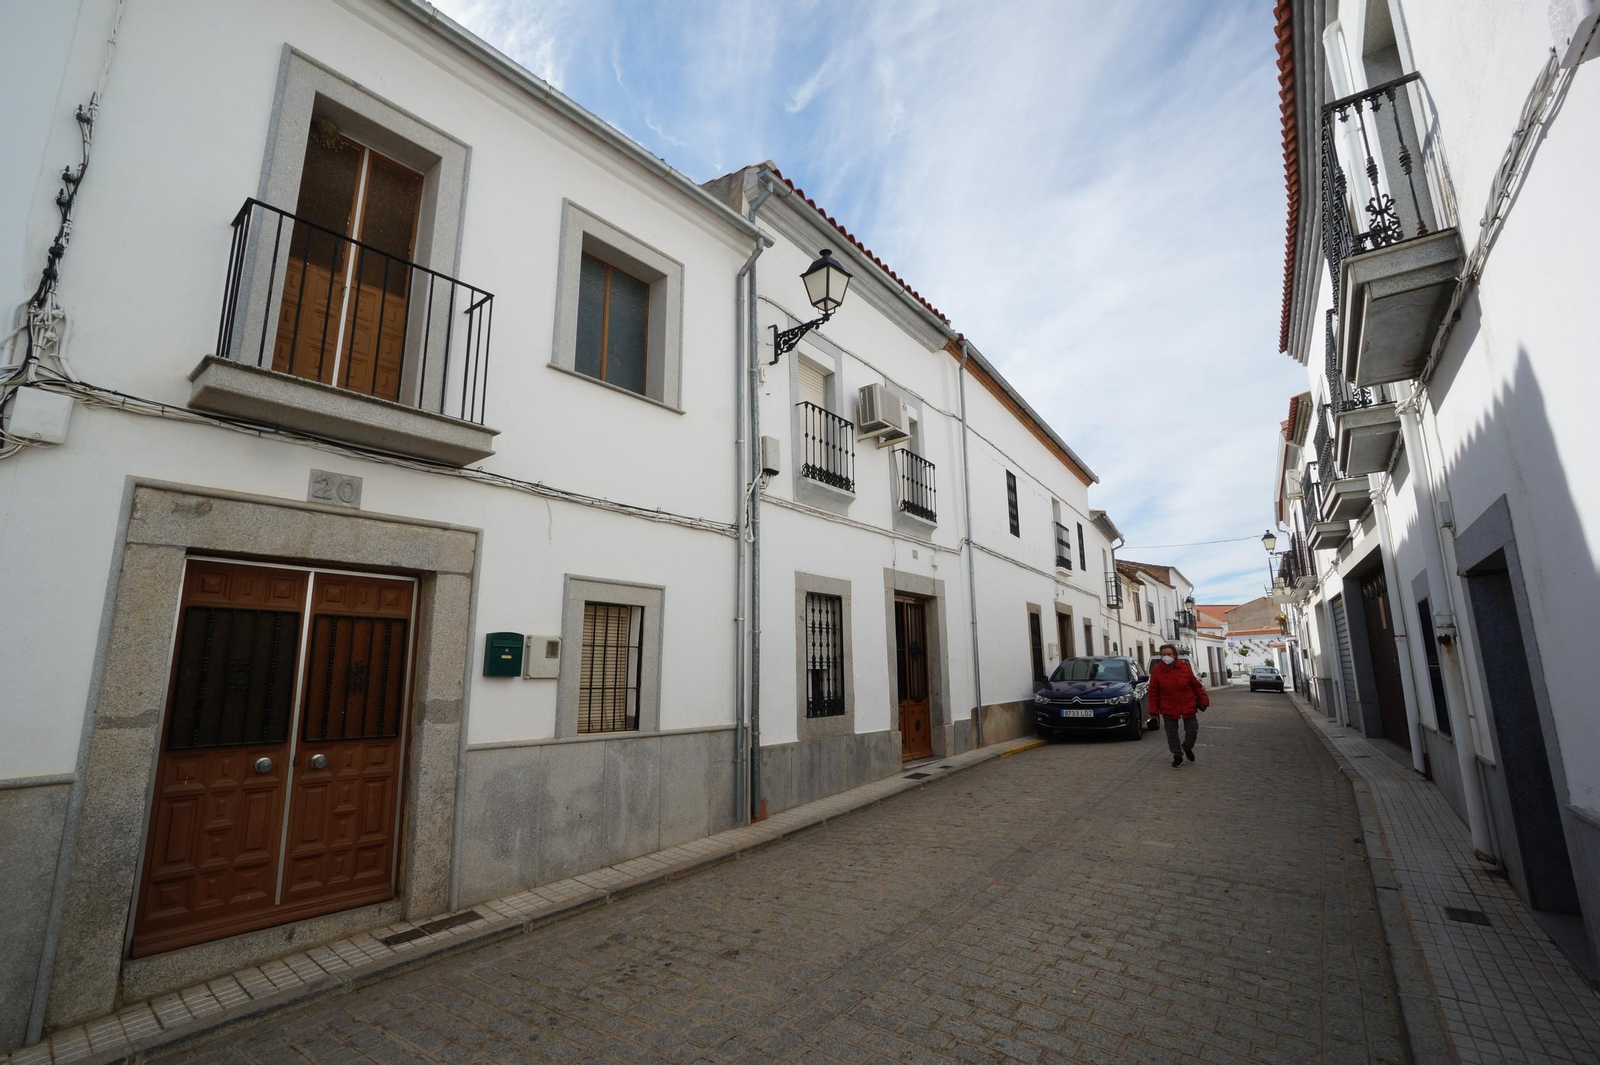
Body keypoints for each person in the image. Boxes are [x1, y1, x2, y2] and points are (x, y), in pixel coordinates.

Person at [1148, 642, 1208, 768]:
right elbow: (1153, 692)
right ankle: (1177, 755)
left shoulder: (1184, 667)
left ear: (1175, 655)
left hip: (1187, 703)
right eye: (1163, 654)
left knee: (1192, 729)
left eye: (1169, 654)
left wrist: (1203, 700)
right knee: (1171, 733)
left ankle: (1187, 746)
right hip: (1168, 705)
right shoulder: (1157, 671)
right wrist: (1153, 709)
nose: (1166, 656)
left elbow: (1196, 686)